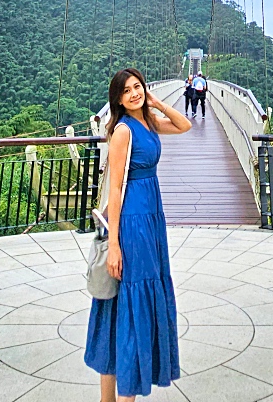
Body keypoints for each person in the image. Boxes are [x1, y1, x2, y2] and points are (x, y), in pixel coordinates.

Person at [85, 67, 191, 401]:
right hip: (132, 220)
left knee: (123, 306)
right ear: (116, 98)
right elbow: (115, 191)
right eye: (126, 90)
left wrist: (156, 102)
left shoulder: (147, 123)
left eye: (138, 87)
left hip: (151, 218)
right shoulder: (123, 132)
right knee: (128, 305)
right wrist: (114, 244)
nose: (134, 93)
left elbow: (184, 125)